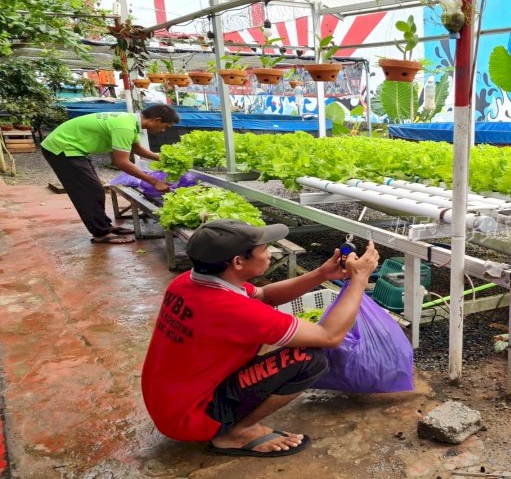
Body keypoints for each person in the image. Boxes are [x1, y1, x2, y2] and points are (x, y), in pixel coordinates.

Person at [141, 219, 380, 457]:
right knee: (309, 358)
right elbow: (330, 336)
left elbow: (265, 295)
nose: (269, 254)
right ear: (238, 262)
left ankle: (231, 421)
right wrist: (359, 279)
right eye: (264, 249)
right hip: (192, 418)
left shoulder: (186, 282)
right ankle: (236, 433)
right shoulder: (234, 310)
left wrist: (321, 273)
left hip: (168, 402)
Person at [40, 104, 180, 244]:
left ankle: (105, 226)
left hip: (73, 149)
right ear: (156, 120)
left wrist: (163, 158)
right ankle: (100, 233)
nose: (163, 130)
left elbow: (136, 149)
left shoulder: (131, 122)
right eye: (165, 126)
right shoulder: (124, 127)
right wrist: (154, 181)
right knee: (89, 191)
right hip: (62, 149)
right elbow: (121, 162)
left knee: (95, 189)